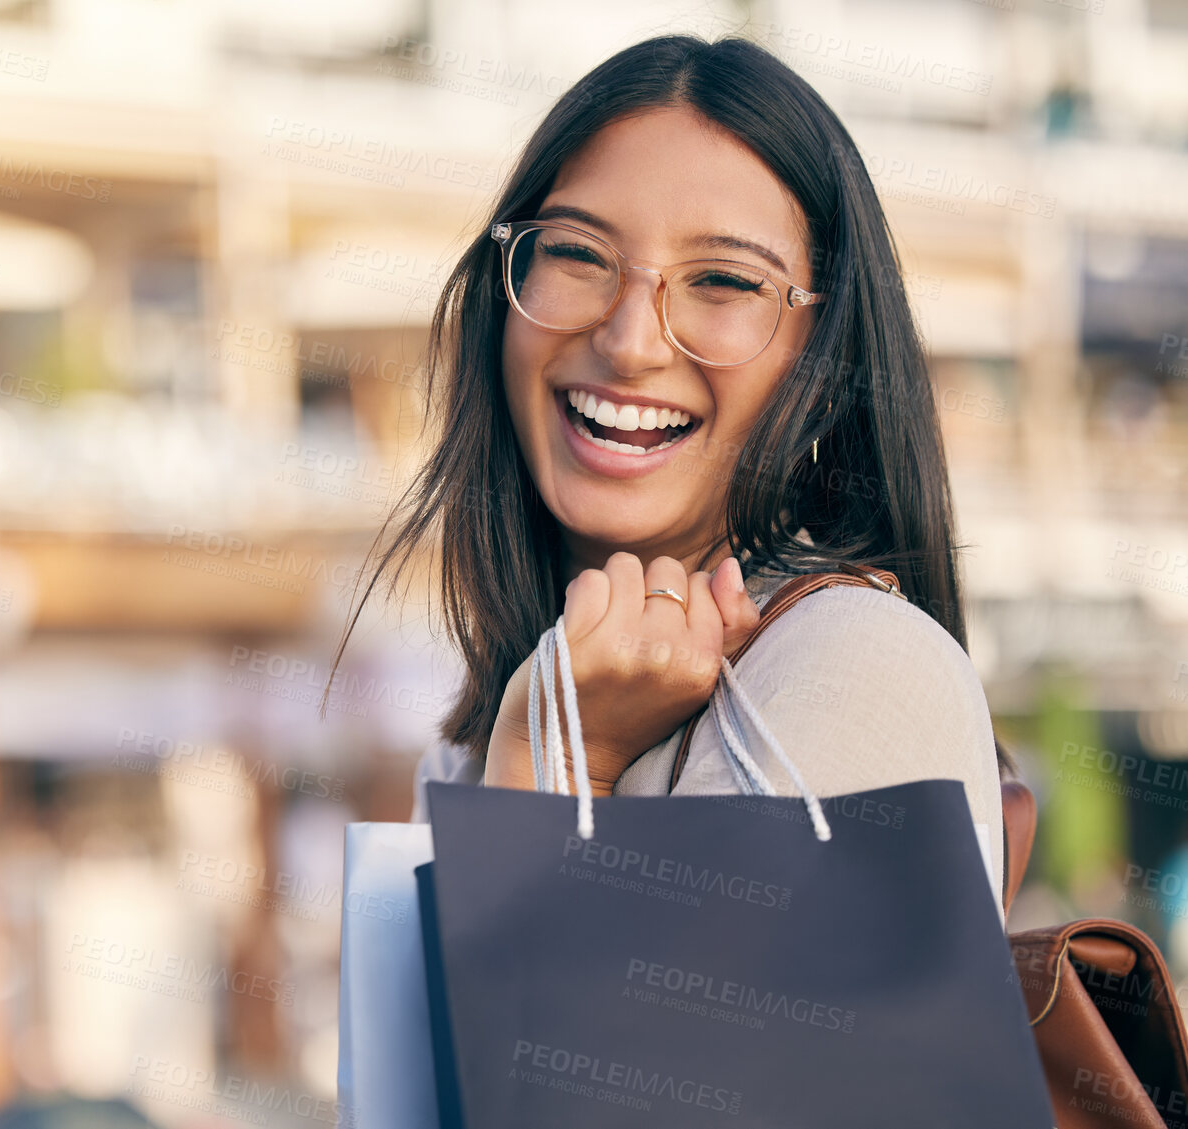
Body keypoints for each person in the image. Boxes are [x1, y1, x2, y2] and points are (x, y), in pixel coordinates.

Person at [329, 34, 1008, 906]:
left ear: (826, 362)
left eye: (722, 280)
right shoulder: (491, 714)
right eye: (575, 253)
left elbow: (577, 1044)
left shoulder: (853, 669)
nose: (629, 340)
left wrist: (561, 757)